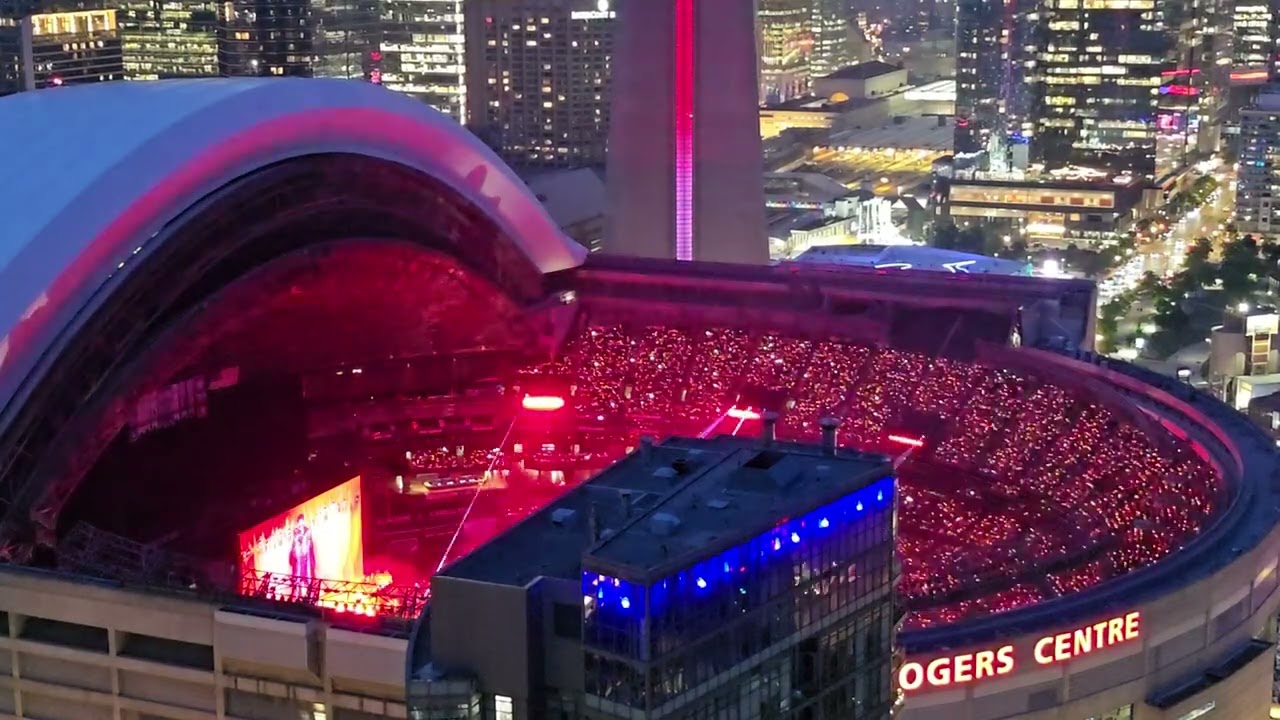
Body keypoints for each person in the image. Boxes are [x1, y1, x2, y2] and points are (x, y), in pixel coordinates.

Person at [288, 514, 317, 600]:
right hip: (298, 559)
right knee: (298, 577)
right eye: (299, 522)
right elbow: (293, 545)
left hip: (306, 558)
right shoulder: (295, 532)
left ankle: (309, 596)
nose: (301, 523)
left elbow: (310, 544)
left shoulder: (308, 531)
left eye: (302, 521)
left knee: (307, 577)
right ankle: (298, 596)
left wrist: (306, 543)